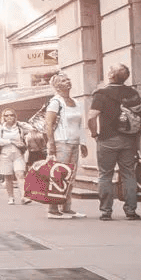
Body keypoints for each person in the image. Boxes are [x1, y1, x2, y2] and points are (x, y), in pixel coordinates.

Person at [86, 64, 141, 222]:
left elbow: (91, 117)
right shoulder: (132, 92)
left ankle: (106, 211)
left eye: (110, 69)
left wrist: (94, 134)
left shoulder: (101, 93)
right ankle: (131, 210)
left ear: (111, 75)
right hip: (129, 140)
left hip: (107, 139)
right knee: (128, 174)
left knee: (105, 175)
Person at [39, 73, 87, 218]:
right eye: (64, 80)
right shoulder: (56, 102)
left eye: (68, 79)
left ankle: (66, 207)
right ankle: (52, 209)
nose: (68, 82)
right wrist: (51, 144)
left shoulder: (76, 102)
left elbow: (80, 124)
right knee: (58, 175)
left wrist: (83, 142)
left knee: (71, 175)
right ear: (57, 85)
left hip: (74, 143)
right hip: (61, 143)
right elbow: (48, 124)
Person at [0, 109, 27, 205]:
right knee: (8, 177)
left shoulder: (19, 127)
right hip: (4, 154)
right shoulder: (0, 128)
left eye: (12, 115)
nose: (9, 117)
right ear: (3, 117)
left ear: (15, 117)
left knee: (20, 174)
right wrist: (11, 141)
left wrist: (21, 123)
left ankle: (24, 196)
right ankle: (11, 197)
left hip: (18, 153)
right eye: (6, 115)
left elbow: (31, 128)